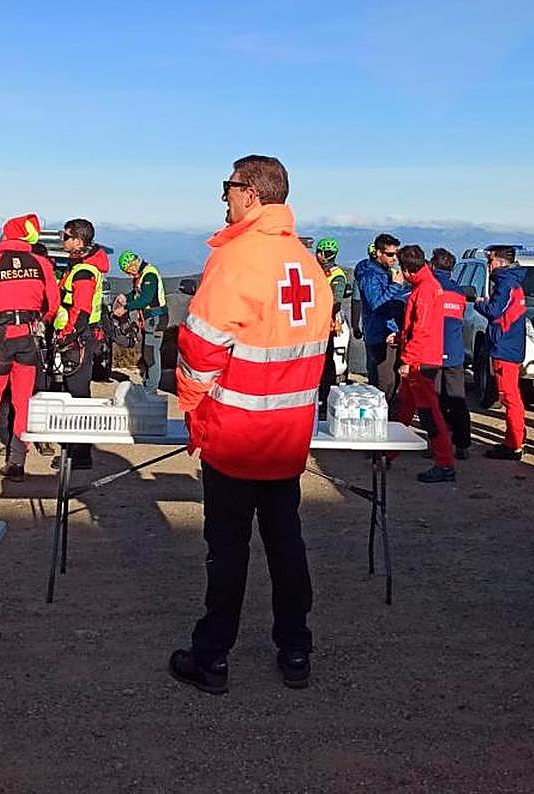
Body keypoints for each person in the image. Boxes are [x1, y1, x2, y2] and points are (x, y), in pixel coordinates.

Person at [171, 154, 331, 695]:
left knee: (228, 549)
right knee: (287, 542)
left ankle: (212, 656)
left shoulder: (237, 259)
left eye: (229, 187)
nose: (224, 198)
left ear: (252, 193)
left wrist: (193, 407)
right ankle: (295, 649)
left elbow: (199, 348)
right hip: (288, 437)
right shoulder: (308, 265)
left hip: (235, 434)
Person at [0, 213, 61, 484]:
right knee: (22, 402)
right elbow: (52, 305)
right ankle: (17, 463)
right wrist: (39, 322)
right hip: (28, 338)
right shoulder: (42, 264)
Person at [393, 245, 454, 483]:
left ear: (407, 269)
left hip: (421, 362)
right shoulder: (425, 286)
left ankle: (445, 463)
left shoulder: (425, 289)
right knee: (406, 406)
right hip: (421, 357)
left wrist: (407, 360)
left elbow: (422, 329)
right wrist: (401, 339)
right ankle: (389, 452)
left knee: (429, 413)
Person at [53, 217, 110, 470]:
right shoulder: (78, 265)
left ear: (78, 240)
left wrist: (66, 334)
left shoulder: (84, 271)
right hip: (80, 338)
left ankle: (80, 453)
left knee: (78, 396)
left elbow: (81, 309)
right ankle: (75, 449)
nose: (61, 240)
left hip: (78, 340)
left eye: (65, 236)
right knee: (74, 393)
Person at [475, 245, 528, 461]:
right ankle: (514, 438)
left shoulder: (506, 284)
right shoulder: (512, 283)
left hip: (505, 347)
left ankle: (514, 444)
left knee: (509, 396)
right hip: (509, 345)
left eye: (491, 261)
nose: (489, 266)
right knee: (511, 395)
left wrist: (480, 304)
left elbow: (495, 311)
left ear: (500, 262)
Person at [354, 233, 407, 403]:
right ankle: (384, 422)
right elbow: (375, 303)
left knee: (391, 383)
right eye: (390, 254)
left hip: (389, 332)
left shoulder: (384, 272)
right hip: (380, 335)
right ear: (378, 253)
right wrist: (395, 286)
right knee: (385, 385)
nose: (394, 258)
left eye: (396, 254)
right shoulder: (371, 275)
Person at [430, 247, 471, 459]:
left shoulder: (430, 288)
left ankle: (437, 443)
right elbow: (460, 317)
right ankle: (462, 444)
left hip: (433, 352)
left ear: (433, 265)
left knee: (434, 401)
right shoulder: (459, 293)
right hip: (454, 352)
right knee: (457, 399)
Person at [117, 250, 169, 391]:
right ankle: (148, 382)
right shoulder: (141, 275)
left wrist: (126, 307)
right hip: (149, 318)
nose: (128, 274)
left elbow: (145, 299)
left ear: (133, 264)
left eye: (128, 270)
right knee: (147, 351)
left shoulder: (149, 275)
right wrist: (126, 297)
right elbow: (137, 294)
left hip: (156, 318)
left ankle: (151, 387)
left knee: (151, 352)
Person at [315, 237, 348, 416]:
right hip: (318, 322)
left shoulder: (337, 275)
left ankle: (326, 395)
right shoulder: (319, 271)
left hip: (327, 324)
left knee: (327, 361)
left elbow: (335, 301)